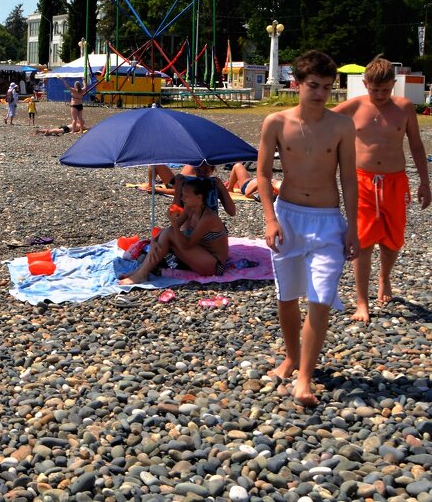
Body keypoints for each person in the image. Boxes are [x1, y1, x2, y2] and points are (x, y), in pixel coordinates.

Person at [257, 50, 358, 407]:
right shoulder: (276, 122)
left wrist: (353, 227)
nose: (320, 93)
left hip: (328, 221)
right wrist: (270, 219)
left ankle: (304, 379)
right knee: (287, 296)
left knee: (320, 299)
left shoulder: (342, 125)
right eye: (314, 86)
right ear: (296, 84)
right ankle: (291, 355)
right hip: (288, 216)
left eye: (327, 87)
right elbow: (264, 174)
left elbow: (348, 178)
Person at [333, 56, 430, 322]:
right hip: (363, 182)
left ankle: (384, 277)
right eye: (374, 89)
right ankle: (362, 301)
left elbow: (417, 146)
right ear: (365, 84)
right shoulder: (354, 106)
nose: (379, 95)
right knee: (363, 241)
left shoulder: (404, 107)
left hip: (395, 181)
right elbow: (319, 118)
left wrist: (425, 182)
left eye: (385, 90)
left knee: (393, 239)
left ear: (394, 85)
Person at [119, 177, 229, 284]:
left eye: (186, 196)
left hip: (215, 266)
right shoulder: (190, 208)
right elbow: (172, 229)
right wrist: (171, 222)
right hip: (201, 254)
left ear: (199, 198)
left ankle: (142, 274)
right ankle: (141, 271)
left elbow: (186, 244)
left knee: (167, 233)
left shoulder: (208, 217)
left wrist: (174, 224)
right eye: (182, 195)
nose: (182, 198)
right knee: (162, 233)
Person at [141, 163, 238, 218]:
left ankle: (152, 185)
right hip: (176, 185)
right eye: (199, 169)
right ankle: (152, 185)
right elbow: (174, 215)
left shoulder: (213, 183)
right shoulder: (191, 180)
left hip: (200, 231)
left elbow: (174, 215)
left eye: (204, 170)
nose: (201, 171)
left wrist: (159, 190)